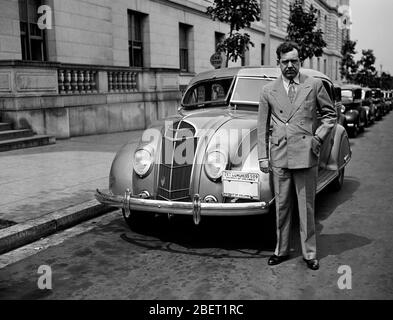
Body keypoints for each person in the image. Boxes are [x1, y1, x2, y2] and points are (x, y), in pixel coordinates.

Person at [257, 42, 337, 270]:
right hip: (280, 154)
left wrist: (318, 138)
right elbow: (261, 125)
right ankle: (280, 250)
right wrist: (263, 156)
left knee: (307, 207)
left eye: (294, 61)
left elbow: (330, 116)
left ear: (300, 61)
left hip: (305, 154)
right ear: (278, 63)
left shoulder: (313, 85)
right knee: (281, 206)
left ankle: (309, 253)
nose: (290, 66)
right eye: (285, 62)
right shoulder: (268, 91)